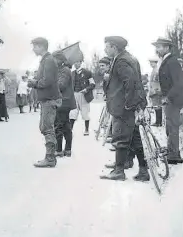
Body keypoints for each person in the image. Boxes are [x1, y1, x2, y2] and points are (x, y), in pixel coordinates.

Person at [100, 36, 149, 181]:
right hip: (130, 104)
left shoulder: (121, 60)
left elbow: (130, 82)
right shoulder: (130, 58)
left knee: (120, 137)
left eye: (107, 46)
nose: (105, 49)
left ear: (114, 47)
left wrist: (129, 104)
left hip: (124, 106)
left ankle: (119, 171)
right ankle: (143, 171)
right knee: (134, 138)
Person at [27, 37, 61, 168]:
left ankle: (50, 158)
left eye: (35, 46)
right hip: (47, 99)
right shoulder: (47, 60)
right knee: (45, 127)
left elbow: (47, 81)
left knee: (47, 128)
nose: (33, 49)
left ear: (41, 46)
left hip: (49, 99)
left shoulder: (48, 60)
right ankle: (50, 156)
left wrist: (34, 83)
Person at [153, 37, 183, 164]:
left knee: (172, 127)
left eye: (159, 46)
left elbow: (179, 82)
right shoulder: (166, 61)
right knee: (171, 126)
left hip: (174, 99)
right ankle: (174, 152)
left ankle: (173, 155)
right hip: (171, 98)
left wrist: (168, 96)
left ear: (167, 47)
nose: (157, 49)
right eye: (156, 47)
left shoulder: (172, 62)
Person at [52, 51, 76, 157]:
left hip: (63, 102)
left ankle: (59, 150)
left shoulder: (64, 70)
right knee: (66, 126)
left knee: (58, 126)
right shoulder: (61, 70)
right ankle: (67, 149)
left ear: (59, 60)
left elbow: (61, 85)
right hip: (64, 101)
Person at [69, 58, 96, 136]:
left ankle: (86, 130)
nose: (76, 64)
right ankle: (70, 130)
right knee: (73, 112)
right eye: (75, 62)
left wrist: (86, 89)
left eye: (77, 62)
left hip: (84, 95)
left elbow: (93, 84)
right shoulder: (72, 73)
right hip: (74, 95)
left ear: (81, 62)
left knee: (85, 113)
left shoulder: (87, 72)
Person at [147, 56, 163, 127]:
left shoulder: (157, 71)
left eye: (152, 63)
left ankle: (158, 122)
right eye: (150, 63)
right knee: (156, 106)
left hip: (156, 91)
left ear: (155, 63)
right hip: (154, 90)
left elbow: (159, 81)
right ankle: (158, 121)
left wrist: (157, 90)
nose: (151, 64)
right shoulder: (154, 70)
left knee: (157, 106)